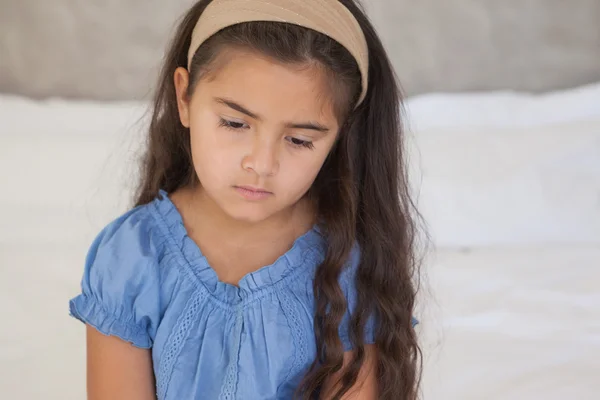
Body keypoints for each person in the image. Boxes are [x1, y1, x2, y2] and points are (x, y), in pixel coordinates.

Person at [69, 0, 423, 398]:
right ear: (184, 97)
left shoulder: (349, 267)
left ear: (341, 136)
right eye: (235, 123)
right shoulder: (132, 257)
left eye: (300, 140)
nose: (261, 163)